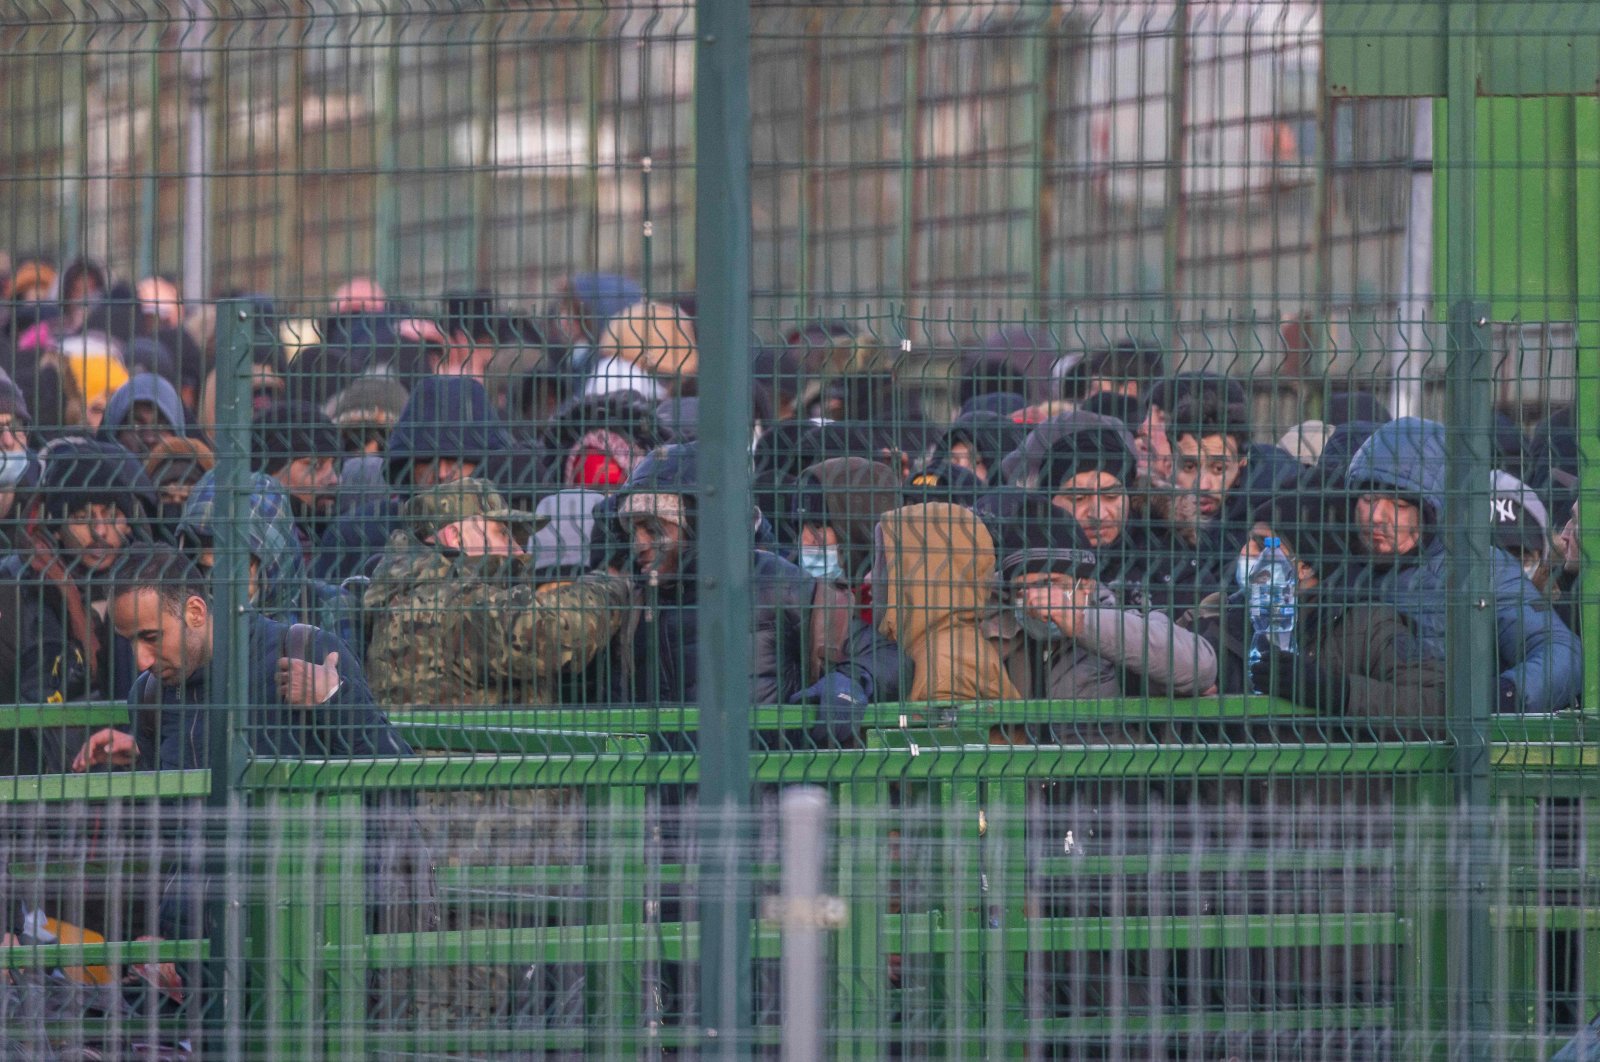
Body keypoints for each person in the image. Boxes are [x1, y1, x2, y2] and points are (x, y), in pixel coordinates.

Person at [611, 443, 899, 721]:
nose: (639, 545)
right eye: (632, 529)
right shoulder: (636, 602)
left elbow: (886, 658)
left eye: (652, 529)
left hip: (768, 767)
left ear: (702, 523)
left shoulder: (779, 584)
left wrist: (846, 684)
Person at [71, 543, 409, 771]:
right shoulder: (148, 696)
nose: (142, 660)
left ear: (195, 612)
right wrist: (143, 756)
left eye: (151, 637)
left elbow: (399, 772)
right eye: (129, 641)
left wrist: (334, 700)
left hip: (303, 874)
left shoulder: (308, 652)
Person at [1343, 417, 1582, 713]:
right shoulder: (1332, 571)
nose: (1376, 516)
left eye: (1399, 505)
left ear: (1435, 510)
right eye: (1367, 498)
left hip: (1455, 747)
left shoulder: (1483, 570)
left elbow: (1561, 652)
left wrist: (1503, 694)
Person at [362, 479, 633, 709]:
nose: (519, 550)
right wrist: (615, 582)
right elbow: (559, 630)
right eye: (503, 533)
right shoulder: (449, 602)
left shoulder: (414, 590)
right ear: (456, 537)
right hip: (467, 767)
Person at [1186, 485, 1447, 720]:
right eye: (1249, 542)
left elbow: (1436, 702)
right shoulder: (1217, 615)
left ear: (1305, 567)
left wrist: (1337, 692)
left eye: (1261, 545)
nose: (1245, 553)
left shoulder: (1367, 626)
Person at [984, 492, 1217, 703]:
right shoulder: (991, 629)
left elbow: (1201, 667)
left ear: (1086, 585)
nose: (1036, 600)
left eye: (1051, 585)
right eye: (1023, 590)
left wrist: (1081, 622)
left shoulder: (1122, 621)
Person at [179, 470, 364, 653]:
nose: (217, 580)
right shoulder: (185, 614)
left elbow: (349, 680)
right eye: (203, 567)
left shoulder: (329, 607)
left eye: (235, 565)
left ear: (273, 556)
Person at [874, 502, 1020, 703]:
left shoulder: (948, 662)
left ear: (923, 571)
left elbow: (949, 735)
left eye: (885, 562)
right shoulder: (936, 645)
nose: (869, 577)